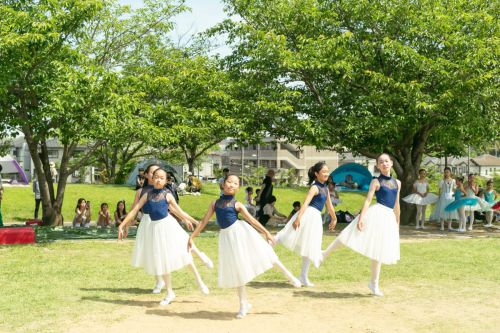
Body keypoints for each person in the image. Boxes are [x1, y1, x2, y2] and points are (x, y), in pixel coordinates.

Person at [188, 174, 301, 319]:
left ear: (238, 188)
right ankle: (243, 304)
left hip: (241, 233)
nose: (231, 185)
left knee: (265, 253)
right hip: (227, 239)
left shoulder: (237, 205)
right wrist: (192, 237)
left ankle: (290, 276)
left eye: (235, 183)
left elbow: (252, 221)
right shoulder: (214, 203)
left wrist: (266, 233)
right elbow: (203, 222)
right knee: (237, 270)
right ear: (223, 184)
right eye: (229, 181)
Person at [119, 168, 210, 306]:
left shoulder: (167, 195)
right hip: (155, 230)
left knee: (184, 254)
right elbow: (134, 211)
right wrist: (122, 225)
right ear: (151, 178)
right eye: (156, 177)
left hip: (169, 227)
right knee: (162, 261)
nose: (158, 179)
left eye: (161, 177)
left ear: (166, 180)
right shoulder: (146, 195)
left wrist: (192, 221)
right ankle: (169, 292)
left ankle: (199, 281)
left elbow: (179, 211)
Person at [322, 153, 400, 297]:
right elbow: (368, 200)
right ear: (377, 165)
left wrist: (397, 222)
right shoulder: (375, 181)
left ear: (391, 163)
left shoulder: (398, 183)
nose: (384, 163)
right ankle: (324, 253)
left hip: (388, 218)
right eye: (381, 162)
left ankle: (374, 284)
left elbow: (397, 204)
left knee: (379, 251)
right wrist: (361, 217)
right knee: (349, 234)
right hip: (376, 214)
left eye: (386, 161)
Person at [275, 161, 337, 287]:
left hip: (315, 219)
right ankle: (268, 245)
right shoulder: (314, 187)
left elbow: (329, 205)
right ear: (316, 174)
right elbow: (305, 203)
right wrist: (298, 218)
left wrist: (334, 218)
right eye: (323, 171)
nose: (326, 173)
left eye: (327, 171)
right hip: (307, 215)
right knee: (286, 235)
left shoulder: (325, 188)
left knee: (310, 246)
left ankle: (303, 276)